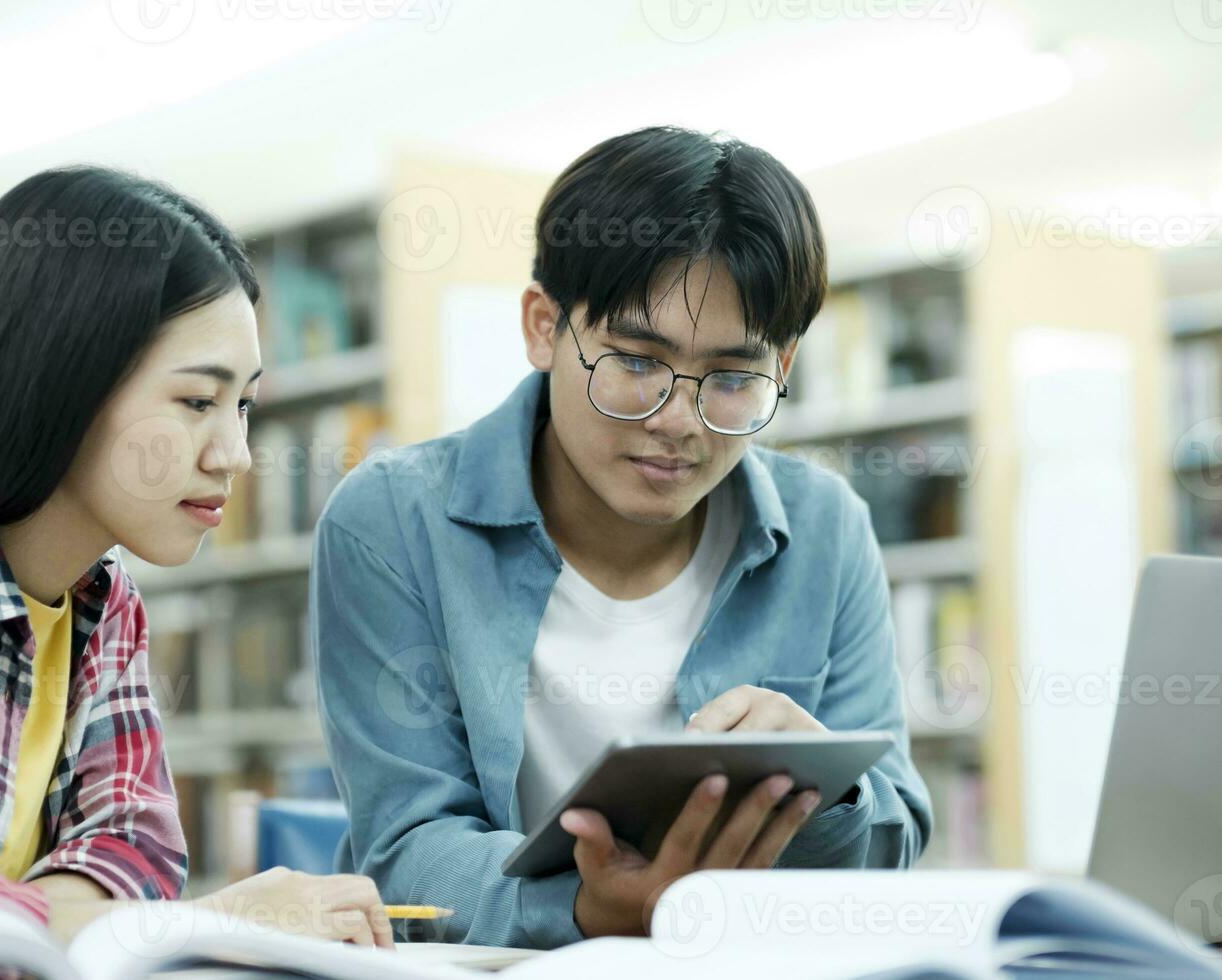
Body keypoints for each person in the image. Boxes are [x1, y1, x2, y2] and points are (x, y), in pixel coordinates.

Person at [312, 126, 933, 948]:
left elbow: (893, 835)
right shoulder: (391, 522)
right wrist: (581, 908)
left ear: (781, 369)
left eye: (734, 379)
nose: (679, 422)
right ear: (544, 327)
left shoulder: (827, 527)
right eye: (636, 361)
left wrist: (829, 792)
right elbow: (405, 854)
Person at [0, 166, 392, 947]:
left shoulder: (104, 602)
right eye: (198, 401)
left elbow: (140, 852)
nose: (237, 454)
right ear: (63, 381)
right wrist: (197, 920)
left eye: (245, 404)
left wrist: (29, 919)